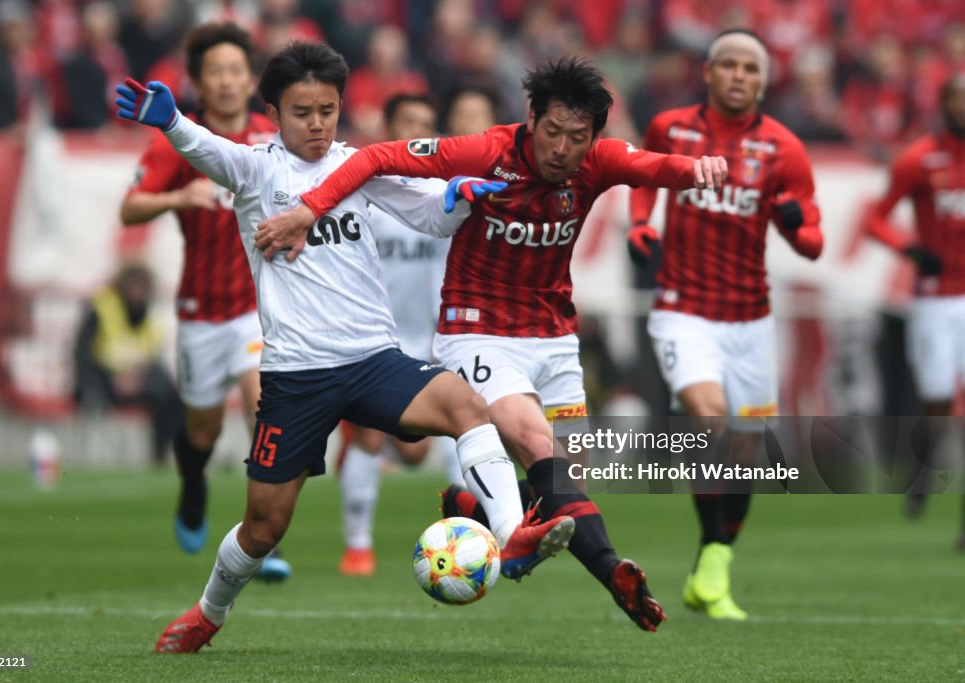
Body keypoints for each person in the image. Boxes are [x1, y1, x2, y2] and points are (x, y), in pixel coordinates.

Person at [114, 41, 576, 654]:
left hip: (372, 360)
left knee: (467, 406)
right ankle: (207, 614)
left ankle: (513, 534)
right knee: (263, 526)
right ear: (274, 112)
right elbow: (210, 151)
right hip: (297, 376)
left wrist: (457, 194)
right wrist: (173, 122)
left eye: (327, 109)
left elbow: (429, 216)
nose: (316, 123)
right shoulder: (256, 168)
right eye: (302, 110)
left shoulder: (355, 165)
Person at [255, 55, 730, 632]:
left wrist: (697, 168)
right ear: (531, 119)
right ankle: (615, 574)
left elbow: (655, 167)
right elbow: (379, 156)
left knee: (565, 483)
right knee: (534, 442)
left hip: (553, 335)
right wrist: (309, 209)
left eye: (576, 138)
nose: (560, 148)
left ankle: (472, 510)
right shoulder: (486, 152)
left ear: (594, 139)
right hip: (475, 330)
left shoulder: (599, 163)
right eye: (551, 131)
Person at [627, 29, 824, 620]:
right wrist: (641, 226)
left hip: (751, 322)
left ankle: (712, 559)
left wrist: (794, 225)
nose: (740, 76)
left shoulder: (785, 148)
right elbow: (643, 182)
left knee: (742, 448)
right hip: (683, 310)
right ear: (708, 72)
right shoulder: (671, 128)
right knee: (708, 419)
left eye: (752, 69)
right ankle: (714, 561)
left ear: (763, 80)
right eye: (730, 65)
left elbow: (814, 242)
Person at [119, 22, 289, 581]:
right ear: (197, 81)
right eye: (214, 71)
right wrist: (178, 195)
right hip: (198, 312)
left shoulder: (272, 136)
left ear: (251, 79)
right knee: (203, 433)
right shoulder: (177, 137)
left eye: (235, 70)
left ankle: (260, 534)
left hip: (256, 308)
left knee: (267, 407)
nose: (225, 80)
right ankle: (192, 487)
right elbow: (130, 208)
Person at [337, 92, 465, 577]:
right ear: (385, 128)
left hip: (436, 339)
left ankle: (468, 536)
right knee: (371, 439)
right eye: (407, 122)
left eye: (426, 125)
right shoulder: (364, 191)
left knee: (430, 446)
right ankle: (357, 546)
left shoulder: (445, 195)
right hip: (375, 339)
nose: (417, 134)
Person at [858, 72, 965, 549]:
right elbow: (875, 218)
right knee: (937, 401)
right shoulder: (920, 159)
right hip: (936, 298)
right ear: (944, 105)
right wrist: (911, 249)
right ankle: (922, 474)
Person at [73, 262, 183, 464]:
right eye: (133, 286)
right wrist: (112, 379)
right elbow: (83, 353)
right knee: (93, 391)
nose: (137, 292)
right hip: (101, 380)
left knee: (171, 395)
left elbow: (152, 357)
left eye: (142, 287)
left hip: (135, 380)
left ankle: (161, 454)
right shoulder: (103, 307)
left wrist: (136, 379)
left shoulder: (149, 317)